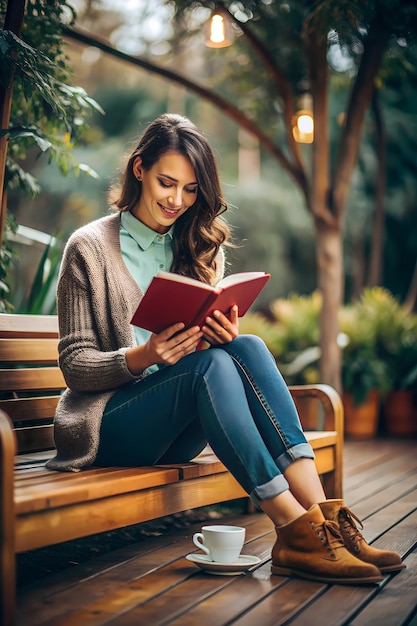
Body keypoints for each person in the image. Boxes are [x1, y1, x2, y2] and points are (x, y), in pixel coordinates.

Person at [47, 113, 404, 584]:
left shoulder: (196, 244)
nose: (177, 200)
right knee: (210, 365)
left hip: (177, 422)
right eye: (166, 183)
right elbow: (75, 367)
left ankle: (326, 522)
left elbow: (214, 351)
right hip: (107, 427)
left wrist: (219, 333)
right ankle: (292, 529)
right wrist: (146, 355)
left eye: (191, 190)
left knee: (246, 346)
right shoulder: (88, 247)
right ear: (139, 170)